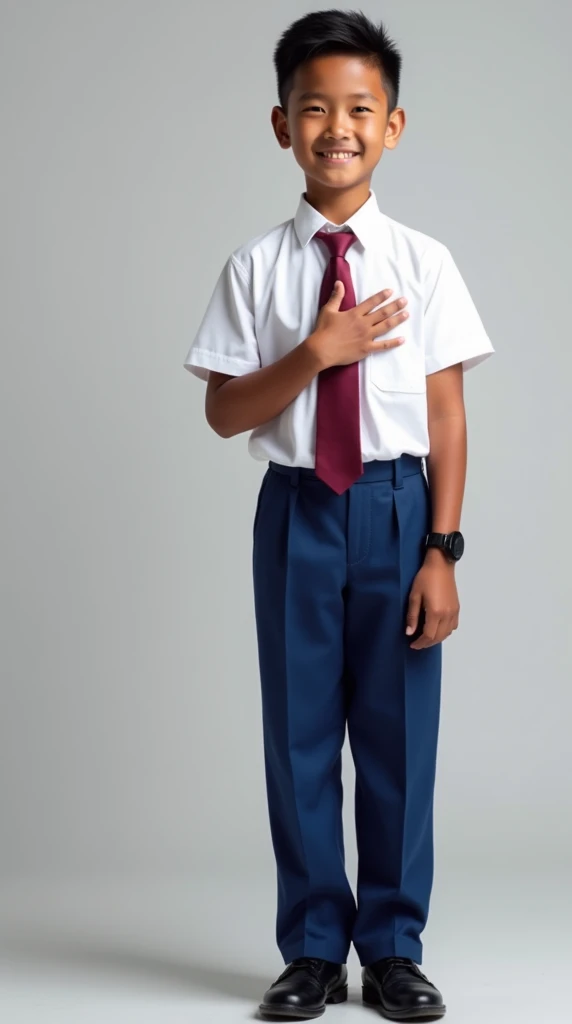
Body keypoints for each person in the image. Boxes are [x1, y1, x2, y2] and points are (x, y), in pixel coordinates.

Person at [183, 9, 494, 1020]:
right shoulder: (258, 268)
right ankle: (313, 947)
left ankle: (393, 947)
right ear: (281, 126)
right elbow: (225, 411)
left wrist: (441, 548)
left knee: (400, 735)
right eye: (313, 108)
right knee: (301, 734)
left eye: (359, 108)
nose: (337, 128)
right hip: (297, 511)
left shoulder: (424, 262)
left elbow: (445, 416)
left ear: (392, 125)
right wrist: (316, 354)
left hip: (399, 508)